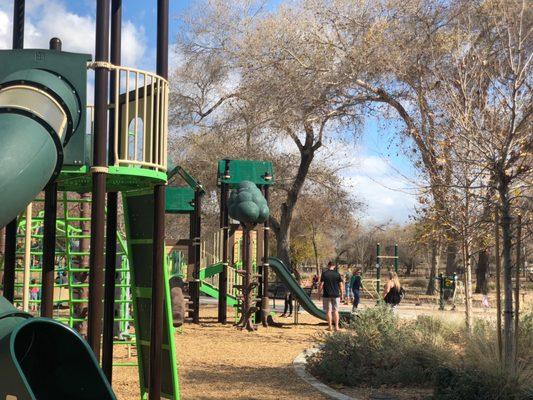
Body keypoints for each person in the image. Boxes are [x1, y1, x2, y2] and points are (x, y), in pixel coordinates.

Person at [319, 261, 343, 331]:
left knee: (328, 311)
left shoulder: (324, 274)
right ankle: (336, 327)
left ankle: (330, 327)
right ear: (334, 266)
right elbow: (341, 285)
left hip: (327, 295)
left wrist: (319, 293)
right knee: (336, 311)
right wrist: (342, 294)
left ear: (328, 265)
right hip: (336, 295)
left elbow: (321, 284)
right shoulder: (337, 274)